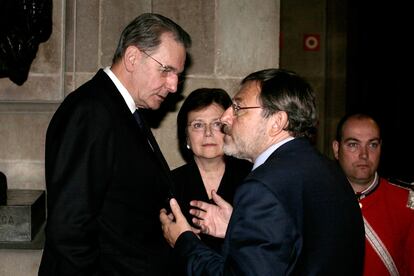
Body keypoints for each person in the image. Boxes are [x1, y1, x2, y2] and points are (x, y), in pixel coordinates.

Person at [160, 68, 365, 275]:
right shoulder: (329, 170)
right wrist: (236, 227)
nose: (225, 117)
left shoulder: (263, 187)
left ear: (276, 122)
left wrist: (185, 241)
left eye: (238, 107)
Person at [39, 13, 191, 275]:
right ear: (132, 57)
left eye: (177, 74)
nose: (174, 85)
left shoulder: (121, 111)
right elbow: (69, 228)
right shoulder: (92, 111)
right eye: (166, 70)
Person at [171, 88, 252, 275]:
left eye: (216, 124)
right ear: (186, 137)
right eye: (198, 125)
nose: (208, 133)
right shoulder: (168, 184)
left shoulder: (253, 181)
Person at [332, 113, 414, 276]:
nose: (364, 154)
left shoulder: (406, 203)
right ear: (336, 149)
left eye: (372, 145)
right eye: (353, 144)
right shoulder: (316, 199)